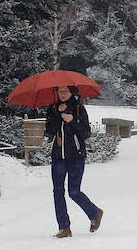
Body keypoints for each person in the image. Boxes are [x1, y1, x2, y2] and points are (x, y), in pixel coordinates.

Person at [44, 85, 104, 238]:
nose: (62, 94)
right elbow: (49, 131)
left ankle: (94, 212)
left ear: (71, 92)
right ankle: (64, 228)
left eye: (65, 91)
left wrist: (72, 120)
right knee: (57, 192)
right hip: (58, 157)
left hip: (76, 156)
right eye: (60, 91)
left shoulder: (78, 109)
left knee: (74, 192)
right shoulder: (52, 108)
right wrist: (58, 115)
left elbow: (86, 133)